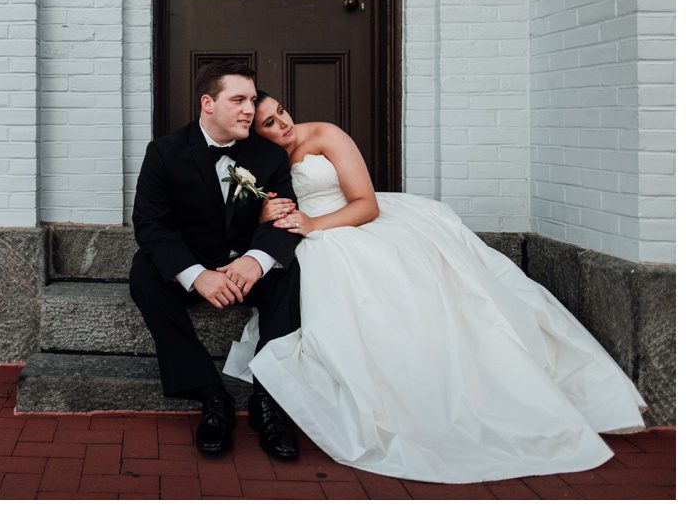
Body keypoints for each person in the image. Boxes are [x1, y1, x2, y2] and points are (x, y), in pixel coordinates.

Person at [223, 92, 648, 483]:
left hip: (349, 221)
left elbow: (365, 204)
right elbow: (258, 209)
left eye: (281, 112)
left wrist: (315, 224)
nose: (283, 124)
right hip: (309, 238)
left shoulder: (325, 134)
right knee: (317, 282)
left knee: (393, 284)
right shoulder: (260, 160)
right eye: (269, 124)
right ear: (254, 132)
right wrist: (265, 214)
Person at [130, 62, 305, 457]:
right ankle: (210, 395)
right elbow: (150, 224)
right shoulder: (164, 152)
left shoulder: (269, 157)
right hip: (196, 265)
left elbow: (284, 217)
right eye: (238, 100)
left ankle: (268, 402)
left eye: (252, 100)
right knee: (144, 272)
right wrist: (197, 276)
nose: (249, 109)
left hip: (244, 270)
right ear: (208, 103)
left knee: (290, 273)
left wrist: (256, 261)